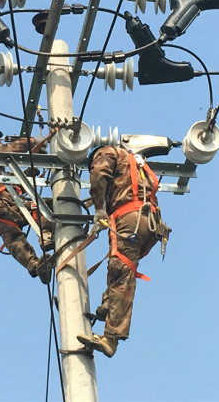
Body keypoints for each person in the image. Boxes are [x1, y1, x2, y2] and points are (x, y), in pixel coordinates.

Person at [77, 145, 169, 357]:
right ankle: (108, 305)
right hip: (150, 224)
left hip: (130, 219)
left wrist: (99, 208)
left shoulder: (106, 152)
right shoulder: (135, 163)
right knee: (122, 269)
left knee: (120, 269)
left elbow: (99, 174)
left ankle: (111, 337)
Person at [0, 119, 53, 283]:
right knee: (13, 237)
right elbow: (11, 149)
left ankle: (47, 237)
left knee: (46, 205)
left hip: (11, 204)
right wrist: (34, 141)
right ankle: (35, 265)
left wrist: (29, 172)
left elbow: (12, 184)